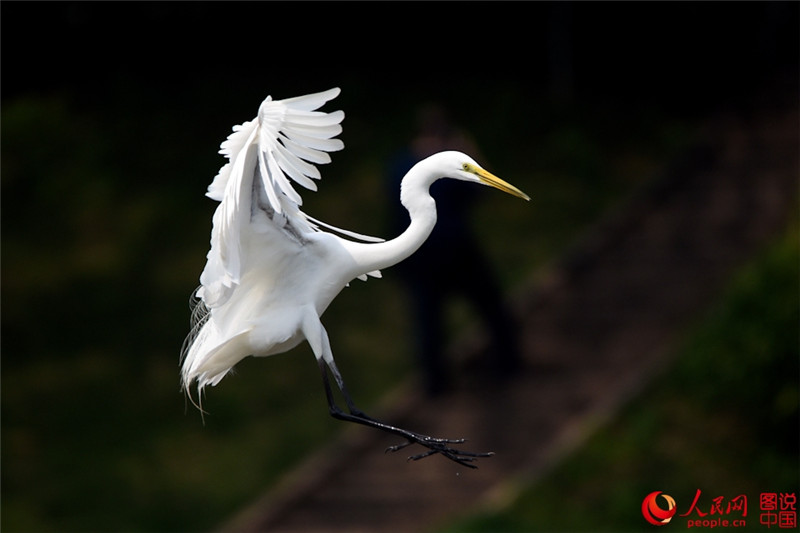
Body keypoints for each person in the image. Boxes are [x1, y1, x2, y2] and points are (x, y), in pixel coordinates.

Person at [386, 104, 522, 396]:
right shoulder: (414, 168)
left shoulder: (402, 164)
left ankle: (503, 366)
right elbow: (477, 194)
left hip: (445, 257)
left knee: (487, 310)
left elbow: (477, 191)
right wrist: (469, 151)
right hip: (434, 259)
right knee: (433, 326)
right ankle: (438, 386)